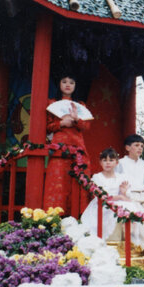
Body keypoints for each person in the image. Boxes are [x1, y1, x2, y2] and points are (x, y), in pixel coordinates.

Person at [43, 74, 93, 212]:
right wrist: (61, 123)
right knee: (57, 180)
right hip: (59, 146)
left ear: (75, 86)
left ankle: (78, 216)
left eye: (71, 82)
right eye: (64, 81)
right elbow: (46, 127)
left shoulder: (81, 105)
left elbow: (86, 128)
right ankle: (53, 217)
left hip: (78, 146)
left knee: (79, 180)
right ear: (59, 84)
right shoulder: (51, 103)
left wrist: (77, 120)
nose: (68, 84)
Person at [115, 134, 144, 212]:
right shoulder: (121, 163)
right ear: (128, 148)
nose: (140, 148)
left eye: (141, 146)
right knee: (140, 215)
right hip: (129, 194)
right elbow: (115, 181)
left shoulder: (142, 163)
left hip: (143, 195)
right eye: (136, 145)